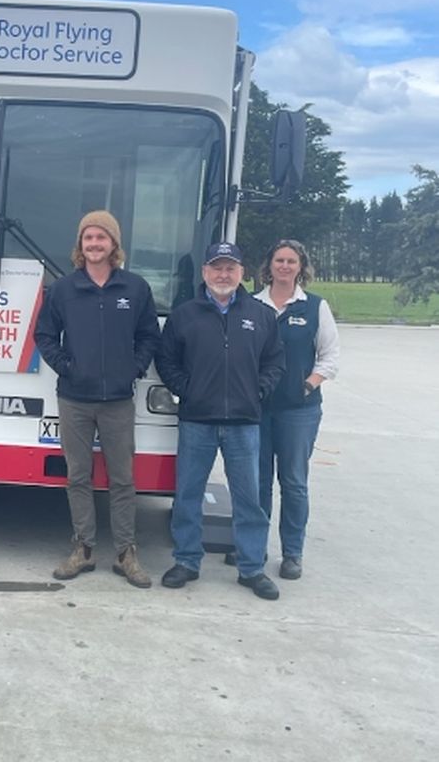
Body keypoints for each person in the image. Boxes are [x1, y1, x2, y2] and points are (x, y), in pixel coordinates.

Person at [34, 210, 160, 588]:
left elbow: (149, 336)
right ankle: (83, 549)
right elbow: (43, 336)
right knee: (78, 476)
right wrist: (66, 367)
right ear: (80, 245)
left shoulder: (135, 289)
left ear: (113, 245)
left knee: (122, 479)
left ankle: (125, 553)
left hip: (118, 399)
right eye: (88, 238)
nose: (94, 244)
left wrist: (132, 369)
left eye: (101, 238)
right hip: (74, 398)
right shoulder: (62, 289)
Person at [156, 241, 285, 600]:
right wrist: (187, 389)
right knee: (188, 495)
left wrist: (258, 390)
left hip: (244, 422)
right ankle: (186, 560)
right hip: (197, 420)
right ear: (205, 273)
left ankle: (251, 568)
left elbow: (275, 361)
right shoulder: (185, 314)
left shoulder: (261, 315)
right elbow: (166, 360)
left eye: (230, 268)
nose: (223, 274)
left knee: (249, 499)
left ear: (242, 272)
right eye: (217, 267)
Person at [254, 239, 339, 580]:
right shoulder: (253, 304)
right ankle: (253, 546)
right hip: (257, 409)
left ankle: (292, 553)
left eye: (291, 261)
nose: (285, 266)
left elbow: (330, 358)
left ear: (301, 267)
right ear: (269, 265)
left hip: (298, 412)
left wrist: (306, 385)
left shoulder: (314, 307)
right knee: (256, 482)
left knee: (293, 482)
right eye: (279, 260)